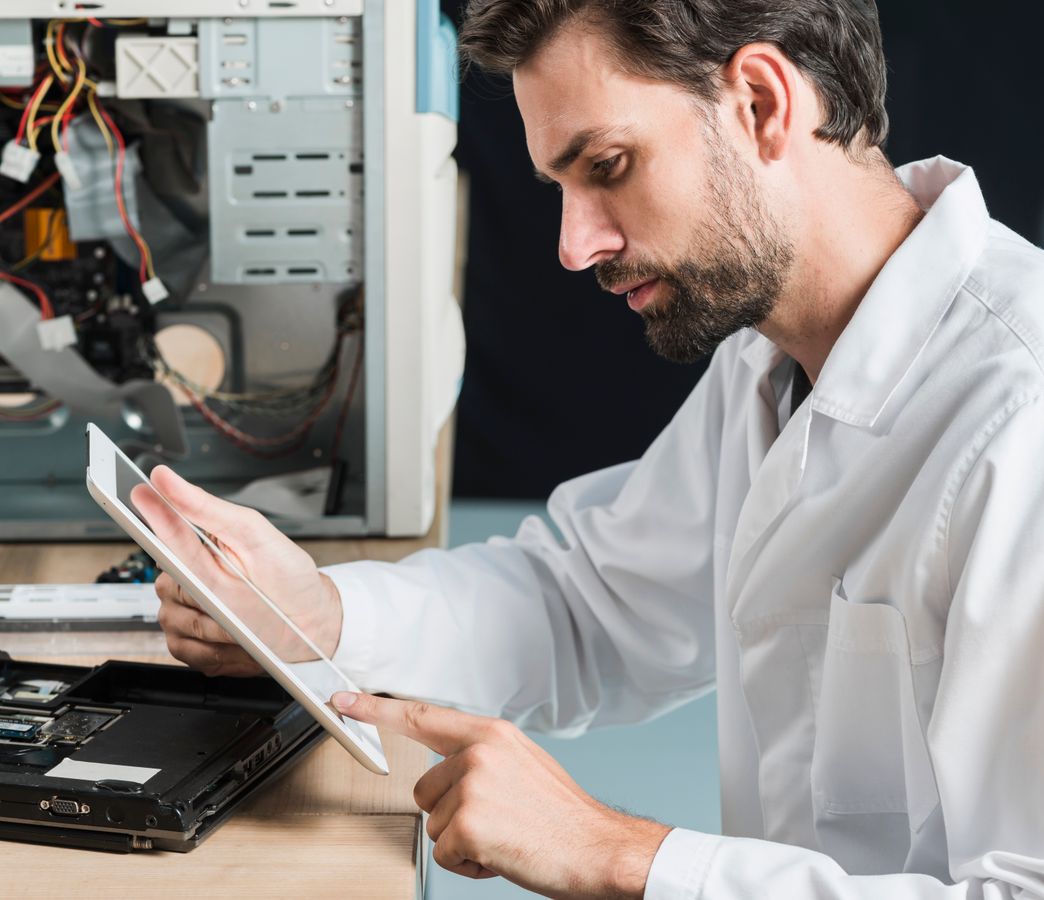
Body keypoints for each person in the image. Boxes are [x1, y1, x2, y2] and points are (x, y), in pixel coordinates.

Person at [146, 1, 1044, 897]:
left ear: (765, 103)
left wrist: (618, 855)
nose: (576, 247)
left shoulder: (1020, 420)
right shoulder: (771, 359)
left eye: (609, 166)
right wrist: (320, 611)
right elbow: (594, 605)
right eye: (561, 188)